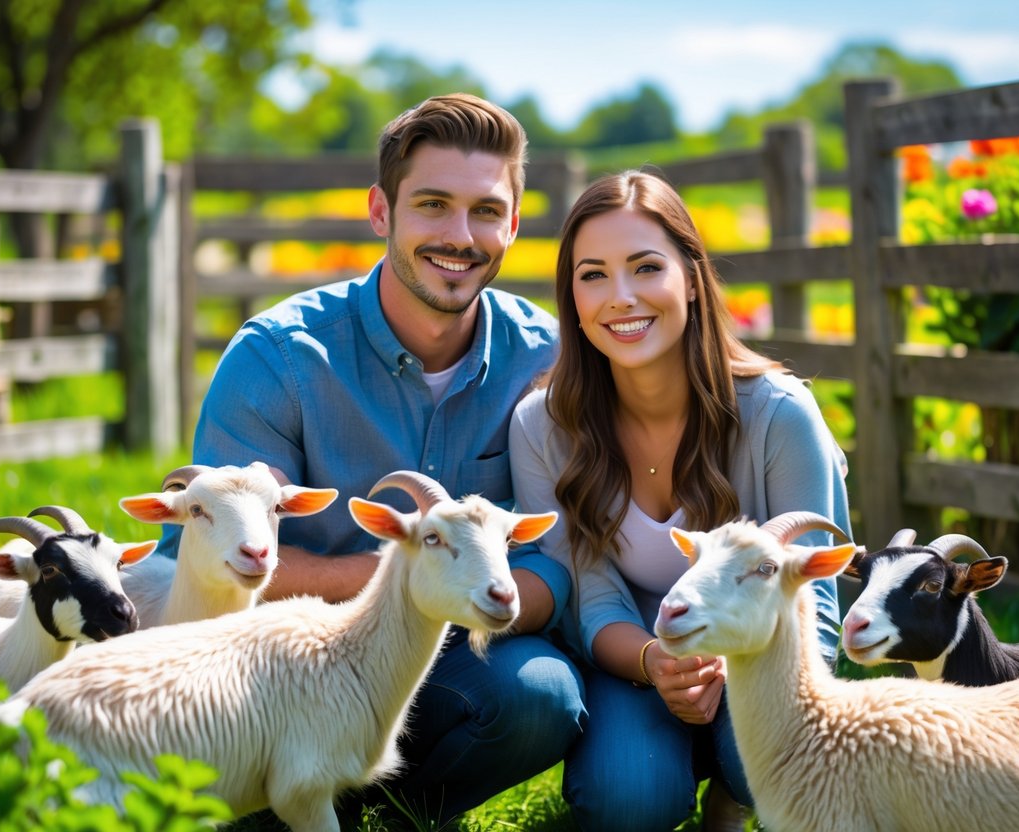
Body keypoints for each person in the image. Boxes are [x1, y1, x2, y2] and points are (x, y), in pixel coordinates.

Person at [158, 93, 584, 826]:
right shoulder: (279, 358)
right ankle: (290, 789)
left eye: (485, 211)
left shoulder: (550, 359)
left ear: (513, 223)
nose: (460, 235)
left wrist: (472, 589)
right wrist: (407, 582)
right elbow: (200, 560)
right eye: (432, 205)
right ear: (381, 212)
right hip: (280, 673)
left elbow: (562, 552)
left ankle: (390, 812)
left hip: (455, 654)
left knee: (542, 697)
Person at [508, 170, 850, 832]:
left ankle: (733, 789)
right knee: (627, 800)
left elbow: (817, 606)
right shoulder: (540, 427)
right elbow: (590, 594)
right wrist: (654, 661)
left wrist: (729, 662)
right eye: (593, 275)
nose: (621, 297)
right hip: (629, 656)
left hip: (757, 660)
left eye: (645, 267)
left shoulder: (780, 415)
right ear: (571, 299)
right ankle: (662, 760)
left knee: (765, 762)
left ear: (690, 278)